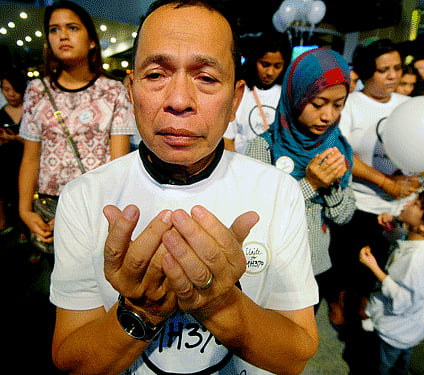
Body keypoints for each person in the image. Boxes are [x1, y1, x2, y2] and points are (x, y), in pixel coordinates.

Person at [50, 1, 319, 374]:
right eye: (156, 74)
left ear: (235, 99)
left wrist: (220, 304)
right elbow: (72, 360)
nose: (178, 101)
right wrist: (141, 310)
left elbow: (296, 355)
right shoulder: (85, 197)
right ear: (131, 88)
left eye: (206, 78)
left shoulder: (276, 192)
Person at [18, 0, 135, 251]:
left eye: (72, 28)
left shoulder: (113, 91)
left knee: (96, 280)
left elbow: (118, 162)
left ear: (92, 40)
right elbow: (30, 157)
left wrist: (114, 210)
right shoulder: (37, 90)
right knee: (56, 283)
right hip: (49, 207)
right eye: (54, 29)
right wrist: (25, 210)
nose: (62, 36)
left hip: (95, 204)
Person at [245, 48, 356, 313]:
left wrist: (332, 188)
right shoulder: (264, 147)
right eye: (318, 104)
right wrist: (311, 184)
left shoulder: (337, 148)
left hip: (314, 268)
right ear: (296, 96)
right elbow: (257, 213)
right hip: (272, 267)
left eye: (338, 105)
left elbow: (344, 215)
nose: (328, 115)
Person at [336, 39, 424, 325]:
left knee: (383, 261)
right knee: (349, 259)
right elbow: (342, 154)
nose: (393, 76)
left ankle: (367, 301)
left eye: (397, 68)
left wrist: (418, 176)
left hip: (397, 206)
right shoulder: (350, 104)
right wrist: (383, 182)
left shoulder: (410, 105)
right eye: (383, 70)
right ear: (367, 72)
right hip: (359, 201)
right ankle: (340, 299)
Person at [359, 193, 424, 375]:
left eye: (416, 204)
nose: (408, 202)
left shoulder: (418, 258)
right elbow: (405, 242)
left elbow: (404, 300)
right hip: (411, 329)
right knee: (401, 364)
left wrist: (375, 268)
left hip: (395, 331)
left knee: (381, 366)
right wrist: (392, 228)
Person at [223, 32, 290, 154]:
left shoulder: (288, 94)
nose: (270, 72)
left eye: (277, 66)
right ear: (254, 61)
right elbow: (228, 139)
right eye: (265, 65)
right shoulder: (240, 92)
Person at [0, 70, 26, 236]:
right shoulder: (0, 113)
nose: (11, 94)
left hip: (26, 160)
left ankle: (25, 228)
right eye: (6, 89)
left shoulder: (31, 112)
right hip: (4, 160)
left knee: (24, 195)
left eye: (14, 89)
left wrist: (17, 138)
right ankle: (3, 223)